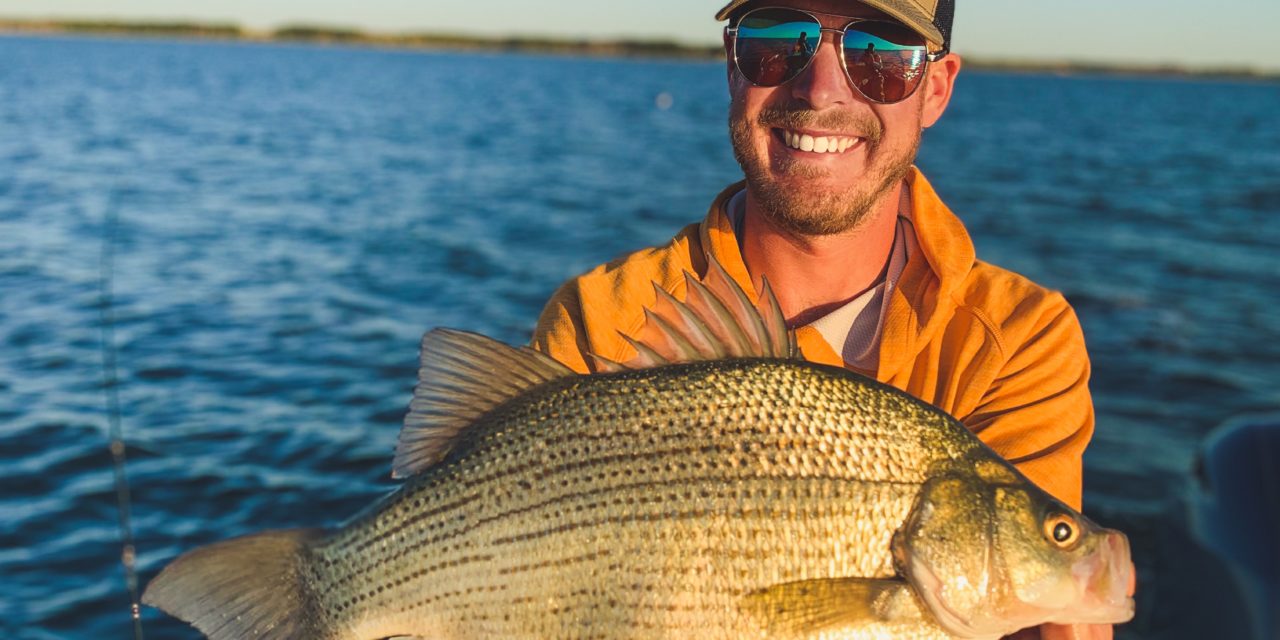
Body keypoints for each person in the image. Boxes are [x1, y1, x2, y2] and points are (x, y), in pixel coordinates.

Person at [532, 1, 1113, 638]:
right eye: (776, 41)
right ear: (732, 66)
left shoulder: (1017, 338)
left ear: (936, 89)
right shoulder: (607, 318)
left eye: (882, 57)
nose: (821, 88)